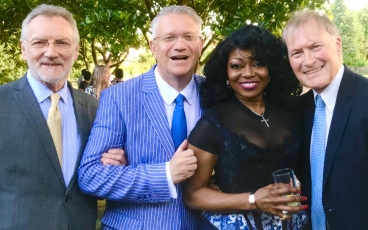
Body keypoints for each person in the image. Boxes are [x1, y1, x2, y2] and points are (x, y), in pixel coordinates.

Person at [78, 5, 204, 229]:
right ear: (153, 46)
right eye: (169, 37)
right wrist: (165, 175)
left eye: (188, 36)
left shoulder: (216, 95)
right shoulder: (118, 98)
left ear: (200, 44)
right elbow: (91, 176)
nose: (180, 45)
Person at [0, 4, 124, 229]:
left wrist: (118, 162)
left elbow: (104, 171)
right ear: (23, 49)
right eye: (39, 42)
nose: (51, 52)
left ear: (76, 50)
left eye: (62, 43)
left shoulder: (95, 109)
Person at [183, 25, 308, 230]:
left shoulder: (291, 111)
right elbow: (192, 195)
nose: (248, 73)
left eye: (258, 63)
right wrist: (253, 200)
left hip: (295, 223)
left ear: (271, 69)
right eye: (236, 66)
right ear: (225, 71)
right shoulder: (212, 123)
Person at [283, 10, 368, 230]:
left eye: (315, 47)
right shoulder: (298, 109)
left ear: (338, 44)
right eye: (297, 53)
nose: (308, 60)